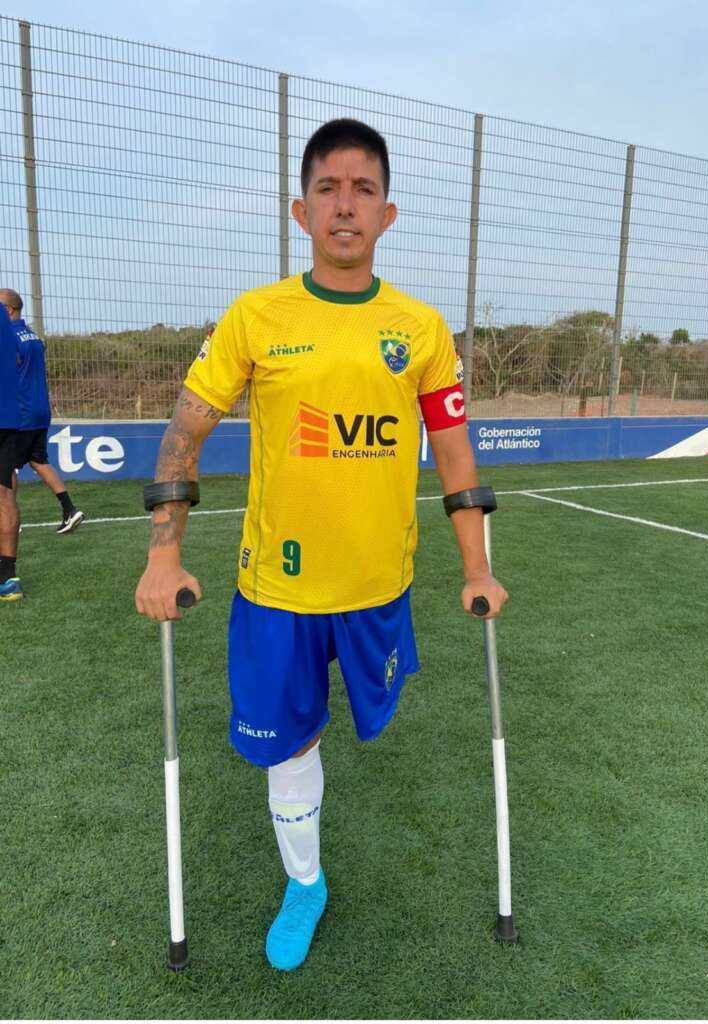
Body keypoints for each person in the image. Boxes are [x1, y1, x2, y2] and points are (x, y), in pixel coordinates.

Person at [135, 119, 508, 971]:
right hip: (279, 589)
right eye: (328, 189)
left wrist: (477, 568)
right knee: (291, 744)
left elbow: (454, 454)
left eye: (363, 189)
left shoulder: (420, 329)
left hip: (378, 584)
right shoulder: (256, 316)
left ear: (387, 213)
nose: (346, 205)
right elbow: (185, 433)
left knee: (364, 721)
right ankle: (305, 883)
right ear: (300, 212)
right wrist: (163, 553)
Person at [0, 290, 84, 535]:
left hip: (20, 412)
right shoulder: (34, 337)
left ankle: (8, 520)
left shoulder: (8, 336)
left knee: (7, 468)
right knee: (39, 461)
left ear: (8, 310)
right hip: (40, 410)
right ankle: (69, 509)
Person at [0, 303, 22, 601]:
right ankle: (7, 579)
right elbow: (16, 357)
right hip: (6, 417)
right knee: (5, 495)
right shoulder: (3, 317)